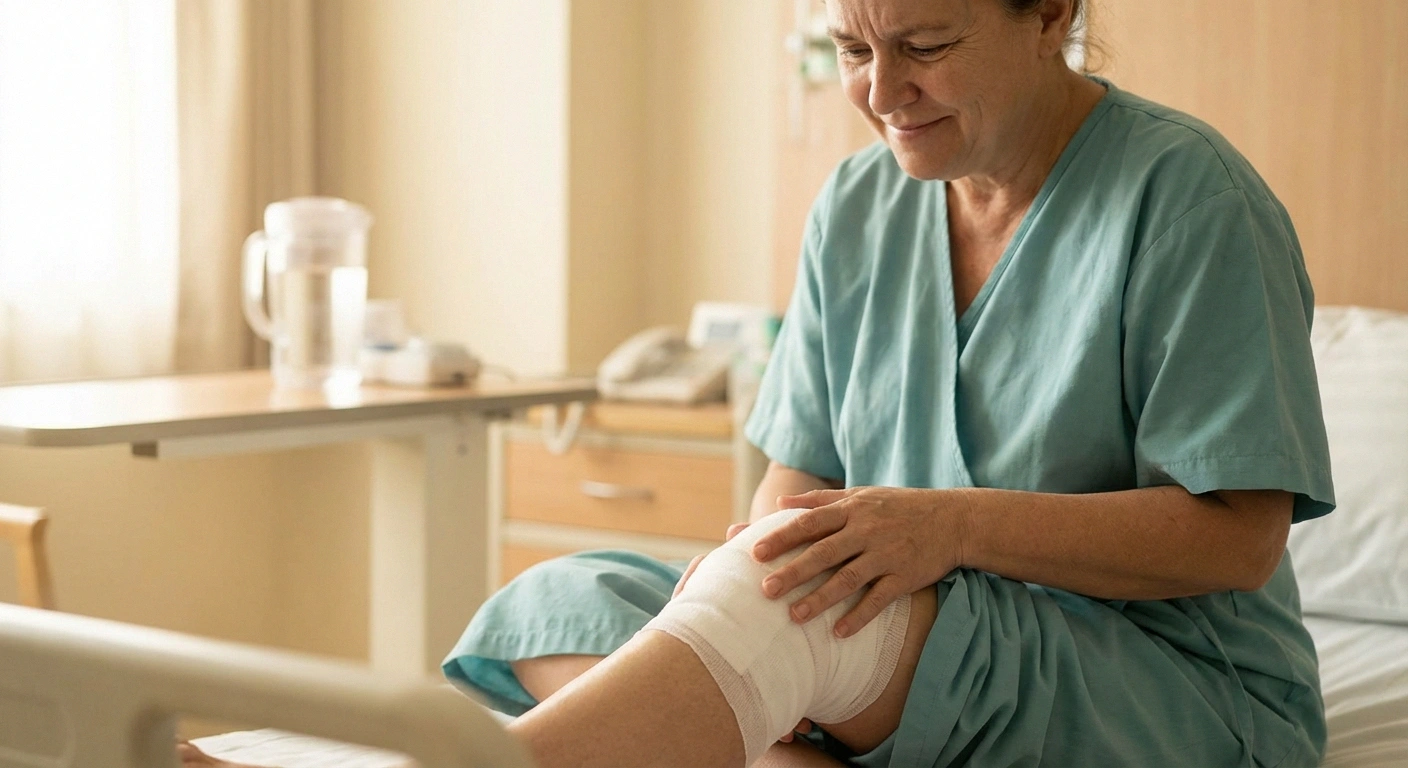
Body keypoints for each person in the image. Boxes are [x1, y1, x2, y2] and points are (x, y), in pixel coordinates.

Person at [182, 0, 1334, 766]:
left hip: (1160, 683)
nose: (883, 91)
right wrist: (756, 562)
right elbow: (802, 467)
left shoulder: (1188, 200)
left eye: (924, 44)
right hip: (907, 636)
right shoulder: (860, 202)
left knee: (783, 619)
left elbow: (1235, 538)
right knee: (565, 596)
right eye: (851, 50)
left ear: (1049, 15)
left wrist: (943, 528)